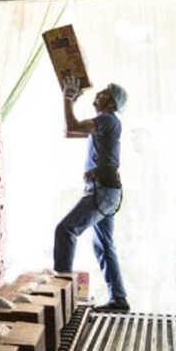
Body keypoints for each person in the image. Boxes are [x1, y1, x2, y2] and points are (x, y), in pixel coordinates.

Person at [54, 77, 129, 312]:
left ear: (111, 104)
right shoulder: (105, 123)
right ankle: (119, 299)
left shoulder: (107, 120)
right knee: (104, 245)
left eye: (103, 94)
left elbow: (73, 126)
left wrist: (67, 99)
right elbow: (70, 131)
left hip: (102, 191)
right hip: (106, 191)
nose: (97, 96)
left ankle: (61, 295)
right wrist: (71, 102)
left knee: (65, 230)